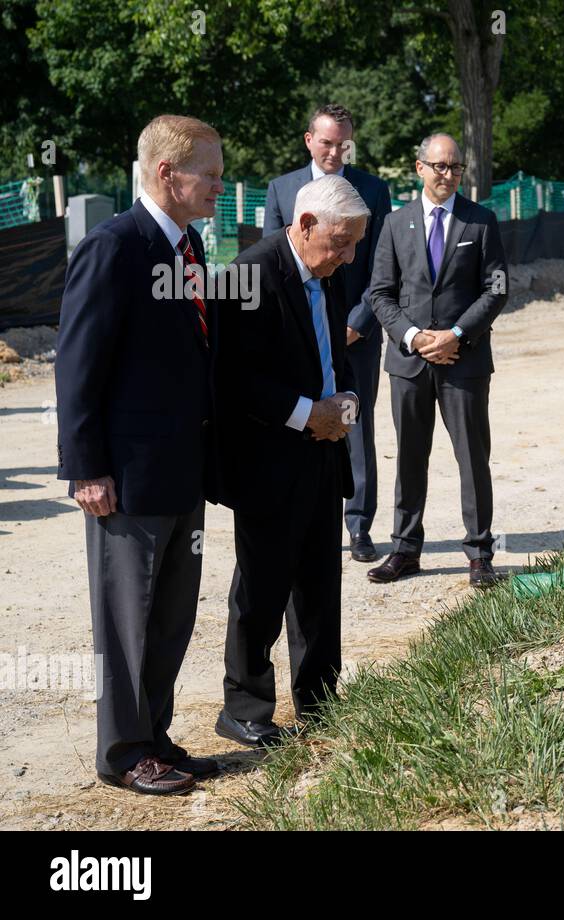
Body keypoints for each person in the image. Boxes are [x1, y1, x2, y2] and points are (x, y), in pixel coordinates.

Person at [56, 114, 225, 795]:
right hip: (125, 477)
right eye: (209, 176)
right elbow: (78, 364)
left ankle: (155, 735)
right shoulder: (114, 247)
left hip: (181, 471)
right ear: (167, 173)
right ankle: (124, 753)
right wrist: (85, 467)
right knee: (128, 620)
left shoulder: (190, 249)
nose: (219, 186)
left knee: (170, 616)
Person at [213, 174, 368, 748]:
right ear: (304, 226)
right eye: (341, 243)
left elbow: (335, 357)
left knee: (320, 586)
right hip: (269, 460)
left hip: (324, 454)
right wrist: (308, 414)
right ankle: (244, 708)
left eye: (354, 243)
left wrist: (346, 404)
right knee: (263, 588)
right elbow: (231, 380)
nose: (348, 256)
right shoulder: (247, 276)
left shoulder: (328, 269)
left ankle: (320, 702)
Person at [367, 133, 509, 589]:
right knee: (410, 457)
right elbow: (380, 293)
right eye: (439, 166)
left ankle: (480, 554)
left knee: (472, 457)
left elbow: (497, 288)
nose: (447, 174)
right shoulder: (394, 223)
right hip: (409, 363)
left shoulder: (481, 222)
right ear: (419, 168)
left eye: (455, 167)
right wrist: (411, 336)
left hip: (463, 362)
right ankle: (405, 550)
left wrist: (457, 335)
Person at [264, 104, 392, 564]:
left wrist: (355, 324)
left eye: (344, 143)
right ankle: (306, 512)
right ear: (309, 141)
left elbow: (380, 264)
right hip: (298, 334)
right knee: (302, 417)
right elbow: (271, 264)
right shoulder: (281, 189)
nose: (336, 150)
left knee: (355, 422)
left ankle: (358, 524)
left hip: (356, 331)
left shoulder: (375, 190)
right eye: (328, 142)